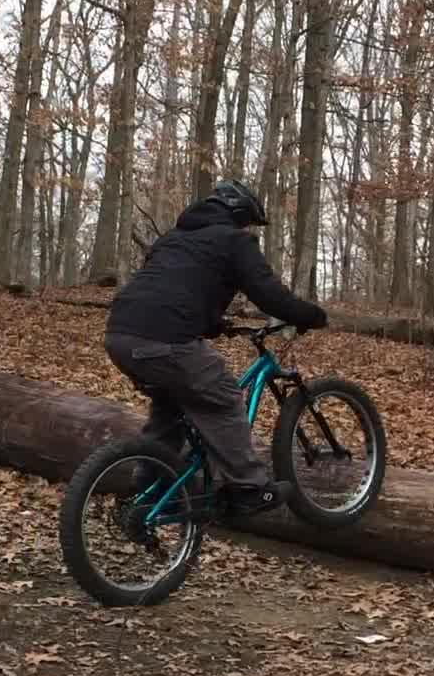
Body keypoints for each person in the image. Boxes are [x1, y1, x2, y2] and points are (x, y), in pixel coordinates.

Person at [105, 180, 329, 516]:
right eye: (246, 221)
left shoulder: (173, 240)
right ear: (237, 212)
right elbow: (268, 294)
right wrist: (309, 315)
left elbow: (171, 289)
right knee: (223, 394)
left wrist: (213, 323)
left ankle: (150, 486)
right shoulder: (234, 241)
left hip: (120, 335)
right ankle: (249, 488)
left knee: (172, 406)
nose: (246, 228)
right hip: (163, 340)